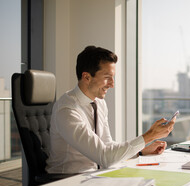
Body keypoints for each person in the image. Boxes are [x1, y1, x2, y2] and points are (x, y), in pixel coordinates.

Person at [46, 46, 175, 174]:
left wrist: (140, 151)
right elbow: (105, 157)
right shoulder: (67, 110)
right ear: (86, 77)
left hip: (96, 176)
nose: (112, 84)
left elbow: (107, 146)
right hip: (68, 181)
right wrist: (149, 136)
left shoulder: (99, 103)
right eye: (107, 77)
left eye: (113, 77)